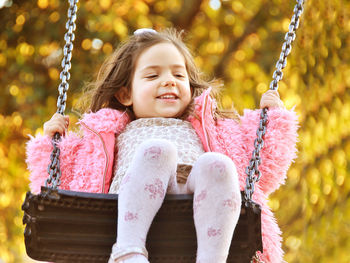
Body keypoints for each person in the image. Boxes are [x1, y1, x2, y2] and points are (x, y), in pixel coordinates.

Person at [26, 28, 298, 263]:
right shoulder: (103, 135)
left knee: (218, 164)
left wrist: (273, 121)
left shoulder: (215, 129)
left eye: (178, 76)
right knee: (159, 150)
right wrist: (51, 145)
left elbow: (262, 166)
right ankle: (127, 251)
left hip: (194, 202)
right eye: (152, 75)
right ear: (125, 93)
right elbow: (58, 184)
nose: (169, 80)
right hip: (127, 210)